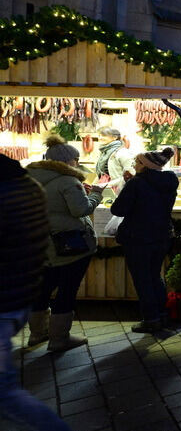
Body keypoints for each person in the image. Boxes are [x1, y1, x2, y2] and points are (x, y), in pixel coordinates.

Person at [0, 153, 73, 430]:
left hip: (5, 299)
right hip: (17, 295)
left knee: (5, 394)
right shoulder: (27, 186)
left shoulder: (8, 192)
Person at [25, 134, 102, 352]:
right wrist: (96, 195)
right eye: (75, 160)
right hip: (70, 244)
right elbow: (81, 210)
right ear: (68, 161)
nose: (76, 163)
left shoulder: (30, 178)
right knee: (67, 289)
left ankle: (37, 334)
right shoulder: (68, 180)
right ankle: (59, 339)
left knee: (42, 289)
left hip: (39, 243)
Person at [112, 148, 179, 333]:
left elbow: (118, 210)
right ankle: (162, 315)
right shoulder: (170, 181)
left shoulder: (136, 183)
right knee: (154, 276)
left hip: (138, 237)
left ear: (146, 166)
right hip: (162, 236)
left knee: (143, 279)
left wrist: (127, 188)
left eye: (137, 162)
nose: (134, 165)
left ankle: (151, 319)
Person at [94, 127, 132, 194]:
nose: (100, 138)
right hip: (105, 188)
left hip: (119, 189)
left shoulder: (122, 152)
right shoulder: (104, 152)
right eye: (99, 135)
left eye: (104, 135)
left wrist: (110, 184)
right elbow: (102, 173)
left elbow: (131, 175)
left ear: (114, 137)